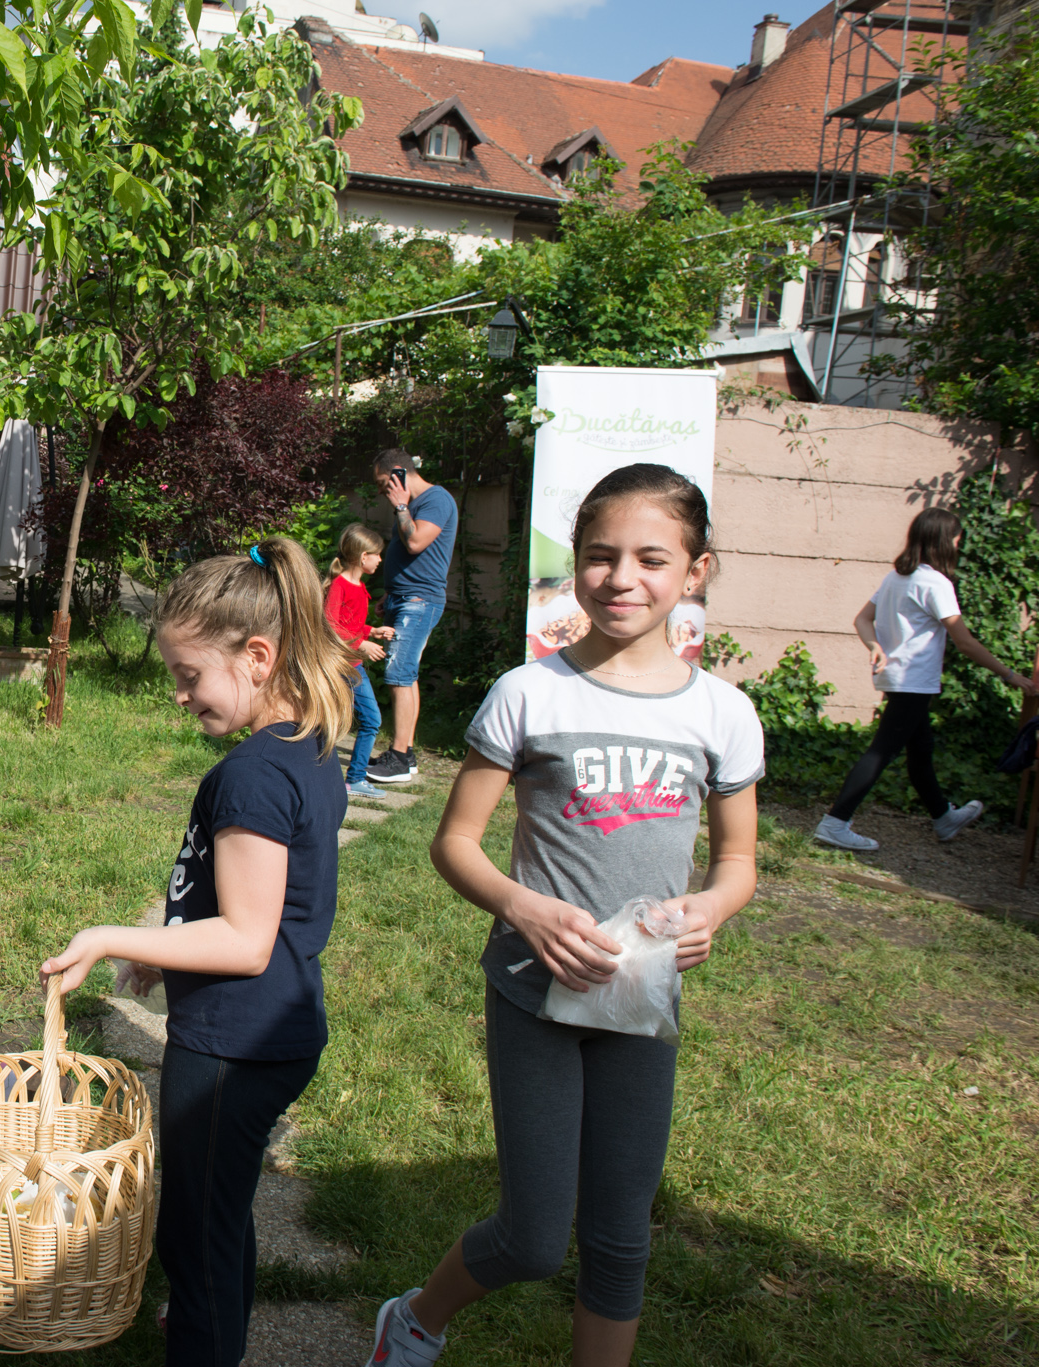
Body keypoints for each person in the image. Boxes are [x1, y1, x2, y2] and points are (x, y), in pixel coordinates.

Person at [371, 465, 763, 1367]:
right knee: (535, 1238)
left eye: (652, 558)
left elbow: (739, 861)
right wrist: (525, 907)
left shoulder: (723, 713)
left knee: (621, 1238)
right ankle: (416, 1319)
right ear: (575, 563)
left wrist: (710, 907)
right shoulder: (529, 693)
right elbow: (455, 843)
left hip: (642, 1003)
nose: (622, 577)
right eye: (599, 555)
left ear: (696, 570)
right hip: (532, 993)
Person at [39, 537, 349, 1367]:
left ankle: (207, 1343)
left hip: (230, 1045)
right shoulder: (308, 747)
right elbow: (253, 908)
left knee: (196, 1241)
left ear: (257, 657)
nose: (179, 695)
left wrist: (108, 937)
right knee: (222, 1213)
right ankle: (221, 1337)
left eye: (189, 674)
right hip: (274, 1032)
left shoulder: (250, 776)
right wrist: (169, 951)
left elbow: (246, 940)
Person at [814, 507, 1039, 852]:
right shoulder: (936, 583)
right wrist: (1010, 675)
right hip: (914, 680)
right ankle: (834, 823)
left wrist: (875, 646)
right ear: (944, 541)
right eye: (957, 539)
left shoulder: (897, 577)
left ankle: (943, 817)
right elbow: (964, 641)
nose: (959, 544)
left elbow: (862, 619)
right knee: (882, 751)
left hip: (897, 677)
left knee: (920, 751)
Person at [366, 449, 458, 784]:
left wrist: (402, 506)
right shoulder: (415, 504)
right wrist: (390, 593)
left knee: (398, 674)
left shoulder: (436, 500)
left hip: (419, 602)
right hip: (403, 598)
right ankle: (405, 752)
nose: (381, 490)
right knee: (406, 674)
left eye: (383, 482)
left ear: (398, 473)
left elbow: (416, 542)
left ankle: (399, 760)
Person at [324, 522, 397, 801]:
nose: (380, 560)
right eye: (377, 554)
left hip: (352, 665)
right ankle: (352, 779)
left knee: (356, 720)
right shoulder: (339, 585)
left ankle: (350, 778)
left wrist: (371, 631)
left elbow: (350, 624)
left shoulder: (357, 586)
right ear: (363, 556)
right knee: (365, 720)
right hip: (342, 666)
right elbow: (330, 626)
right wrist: (360, 644)